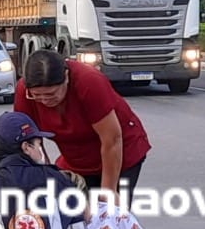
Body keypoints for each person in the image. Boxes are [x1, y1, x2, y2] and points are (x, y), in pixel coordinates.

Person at [14, 49, 151, 203]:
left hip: (119, 152)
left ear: (66, 77)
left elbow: (111, 139)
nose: (45, 101)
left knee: (110, 217)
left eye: (51, 94)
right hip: (75, 159)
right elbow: (31, 142)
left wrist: (109, 190)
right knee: (75, 214)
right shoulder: (24, 92)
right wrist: (45, 176)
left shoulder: (89, 81)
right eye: (37, 96)